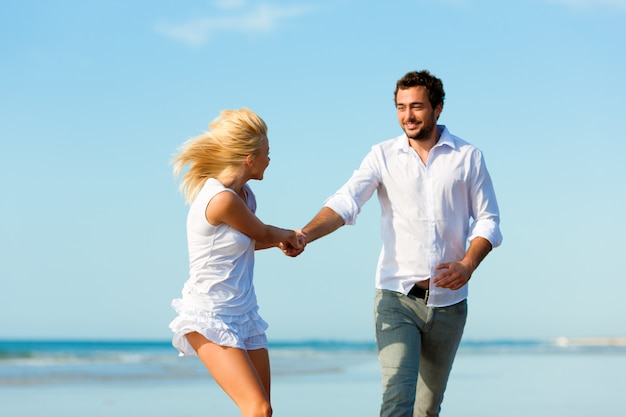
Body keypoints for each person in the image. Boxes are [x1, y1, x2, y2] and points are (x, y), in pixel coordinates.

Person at [283, 70, 502, 417]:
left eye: (416, 107)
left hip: (449, 304)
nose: (408, 116)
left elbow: (488, 219)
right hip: (396, 297)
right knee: (397, 400)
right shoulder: (382, 155)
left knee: (427, 408)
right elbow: (346, 201)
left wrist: (467, 264)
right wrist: (305, 234)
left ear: (438, 108)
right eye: (401, 107)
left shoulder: (468, 156)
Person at [169, 108, 303, 417]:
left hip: (244, 314)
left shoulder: (245, 195)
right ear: (249, 157)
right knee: (259, 409)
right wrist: (288, 235)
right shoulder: (221, 199)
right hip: (210, 316)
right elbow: (262, 231)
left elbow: (250, 241)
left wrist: (284, 242)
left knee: (261, 412)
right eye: (267, 153)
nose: (270, 159)